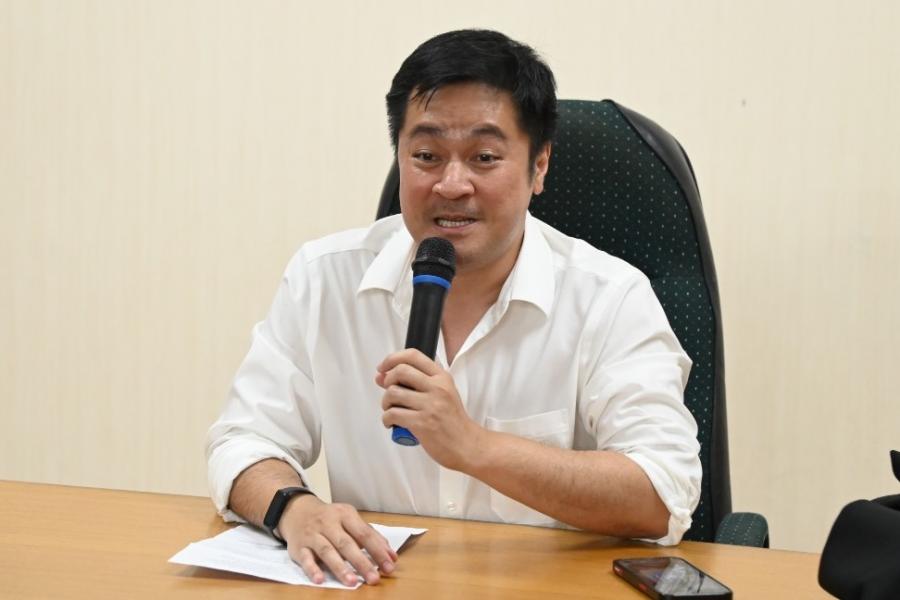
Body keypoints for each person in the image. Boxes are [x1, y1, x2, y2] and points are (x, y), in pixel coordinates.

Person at [206, 29, 701, 587]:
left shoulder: (610, 297)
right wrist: (293, 509)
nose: (451, 184)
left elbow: (664, 493)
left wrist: (475, 447)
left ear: (539, 166)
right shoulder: (324, 278)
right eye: (426, 156)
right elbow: (242, 441)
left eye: (484, 158)